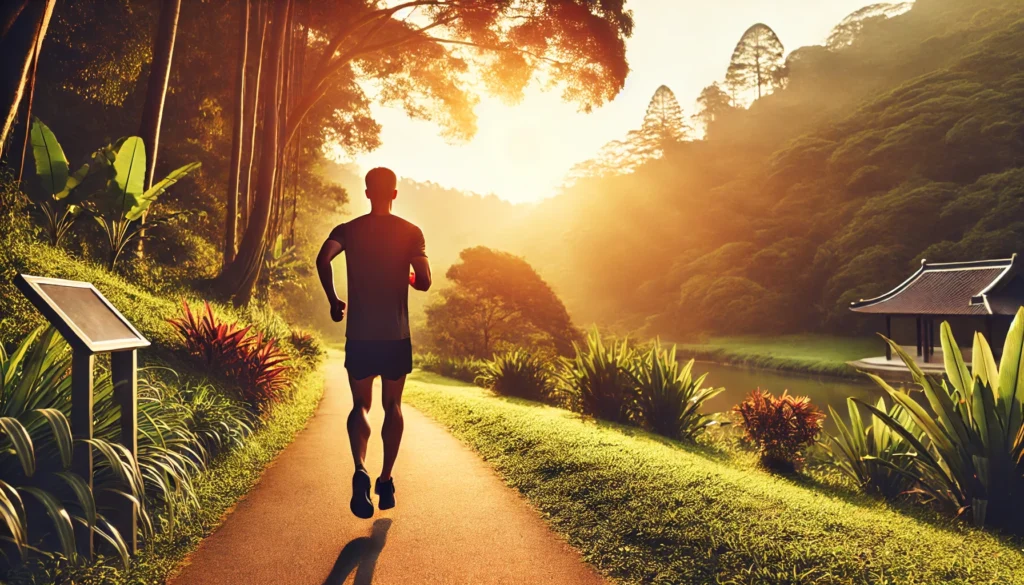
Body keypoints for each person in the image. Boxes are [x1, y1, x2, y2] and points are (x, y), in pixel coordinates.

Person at [316, 167, 431, 519]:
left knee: (360, 406)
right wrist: (406, 272)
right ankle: (385, 479)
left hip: (361, 335)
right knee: (393, 406)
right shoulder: (411, 233)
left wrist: (334, 301)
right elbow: (424, 281)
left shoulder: (347, 230)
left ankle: (360, 468)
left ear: (367, 193)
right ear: (394, 194)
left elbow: (323, 259)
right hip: (396, 336)